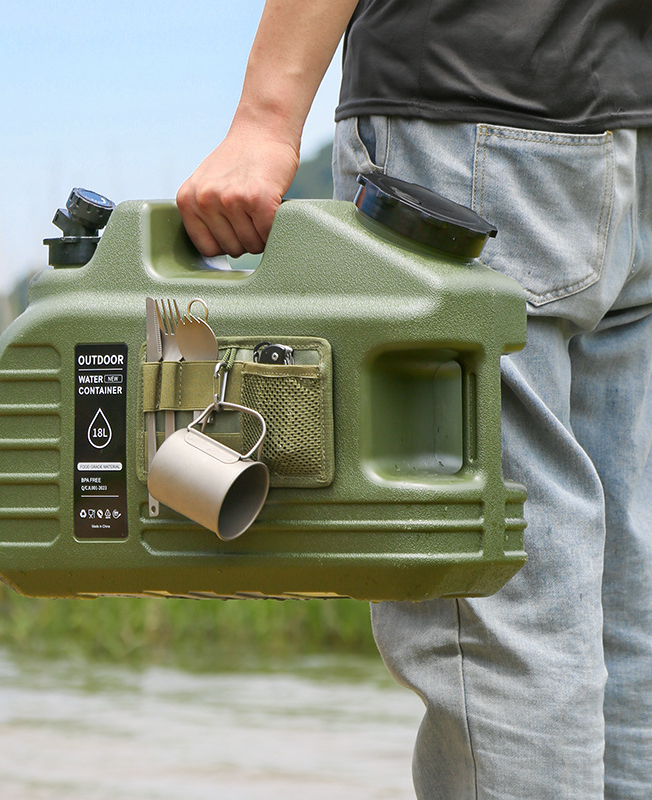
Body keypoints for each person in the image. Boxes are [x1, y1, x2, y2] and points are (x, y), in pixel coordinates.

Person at [176, 2, 652, 798]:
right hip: (632, 142)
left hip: (468, 122)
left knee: (493, 602)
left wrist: (265, 117)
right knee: (622, 596)